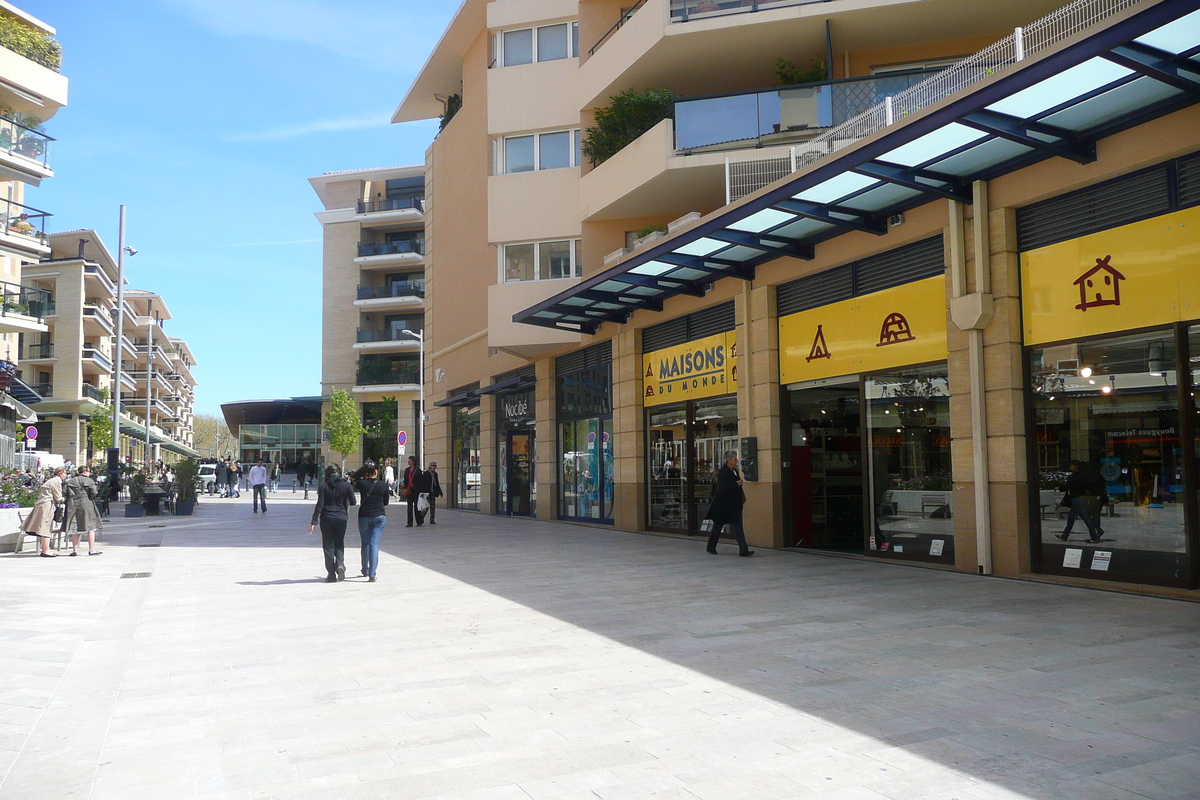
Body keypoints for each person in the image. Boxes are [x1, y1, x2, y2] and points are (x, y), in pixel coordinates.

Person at [309, 465, 356, 582]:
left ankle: (331, 574)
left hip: (326, 518)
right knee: (339, 542)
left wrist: (314, 521)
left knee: (328, 546)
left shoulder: (323, 486)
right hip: (341, 517)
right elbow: (354, 502)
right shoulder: (346, 485)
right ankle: (340, 563)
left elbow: (320, 504)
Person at [704, 450, 754, 557]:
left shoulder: (734, 471)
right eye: (734, 458)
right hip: (723, 505)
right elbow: (721, 488)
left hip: (734, 505)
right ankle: (711, 547)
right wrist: (736, 483)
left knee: (738, 526)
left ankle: (743, 549)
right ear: (728, 460)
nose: (736, 460)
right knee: (718, 526)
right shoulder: (723, 472)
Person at [353, 461, 390, 582]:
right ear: (376, 472)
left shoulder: (362, 484)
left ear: (367, 473)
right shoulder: (383, 485)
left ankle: (365, 569)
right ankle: (372, 574)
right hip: (379, 516)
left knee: (365, 543)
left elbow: (354, 481)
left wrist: (362, 474)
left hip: (364, 516)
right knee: (375, 543)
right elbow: (386, 502)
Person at [1058, 459, 1107, 543]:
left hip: (1077, 499)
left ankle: (1095, 536)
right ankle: (1064, 536)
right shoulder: (1085, 476)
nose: (1070, 467)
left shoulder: (1073, 477)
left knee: (1086, 518)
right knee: (1071, 518)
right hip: (1082, 499)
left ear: (1076, 467)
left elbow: (1068, 486)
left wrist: (1059, 488)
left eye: (1071, 466)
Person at [21, 466, 66, 557]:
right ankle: (45, 550)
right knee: (46, 526)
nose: (66, 475)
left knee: (44, 526)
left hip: (43, 504)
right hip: (47, 505)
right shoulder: (56, 482)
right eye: (65, 473)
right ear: (60, 473)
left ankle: (45, 549)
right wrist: (66, 498)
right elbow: (58, 498)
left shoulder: (52, 481)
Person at [63, 466, 103, 556]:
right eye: (89, 471)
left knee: (75, 528)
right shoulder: (89, 481)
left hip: (73, 504)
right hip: (86, 503)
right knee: (90, 527)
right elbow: (94, 492)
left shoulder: (71, 481)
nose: (90, 473)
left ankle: (74, 550)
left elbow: (65, 492)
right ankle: (92, 549)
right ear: (85, 472)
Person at [400, 456, 425, 528]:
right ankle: (409, 523)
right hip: (409, 490)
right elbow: (405, 479)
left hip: (416, 490)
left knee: (417, 506)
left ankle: (419, 521)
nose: (408, 461)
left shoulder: (418, 470)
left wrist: (421, 492)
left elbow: (421, 482)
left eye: (410, 460)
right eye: (408, 460)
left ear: (413, 461)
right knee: (409, 506)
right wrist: (403, 483)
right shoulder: (407, 470)